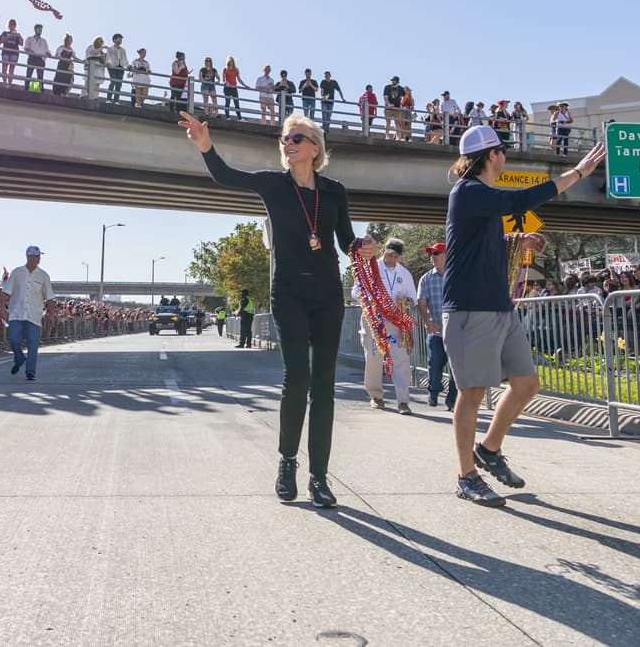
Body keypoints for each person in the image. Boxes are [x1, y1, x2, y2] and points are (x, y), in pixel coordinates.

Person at [179, 109, 377, 509]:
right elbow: (227, 176)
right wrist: (206, 147)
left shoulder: (334, 191)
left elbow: (345, 240)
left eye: (296, 138)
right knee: (297, 379)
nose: (288, 144)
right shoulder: (273, 184)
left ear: (315, 148)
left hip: (328, 297)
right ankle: (287, 462)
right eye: (285, 139)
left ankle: (319, 477)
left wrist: (362, 247)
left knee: (324, 387)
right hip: (288, 295)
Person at [444, 124, 606, 506]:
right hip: (470, 308)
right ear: (492, 155)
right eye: (503, 150)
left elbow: (479, 240)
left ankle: (489, 449)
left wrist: (518, 239)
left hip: (500, 307)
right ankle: (466, 477)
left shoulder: (481, 199)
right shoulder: (467, 191)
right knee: (472, 393)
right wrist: (578, 172)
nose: (505, 156)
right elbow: (521, 201)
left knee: (527, 384)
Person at [356, 236, 415, 413]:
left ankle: (403, 401)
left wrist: (407, 302)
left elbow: (412, 297)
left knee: (401, 359)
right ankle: (376, 396)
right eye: (390, 255)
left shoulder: (404, 274)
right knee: (374, 358)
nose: (393, 259)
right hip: (374, 319)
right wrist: (370, 299)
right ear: (383, 252)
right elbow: (356, 291)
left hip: (396, 321)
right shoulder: (369, 268)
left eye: (396, 257)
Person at [0, 246, 54, 381]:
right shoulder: (17, 272)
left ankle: (30, 371)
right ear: (28, 257)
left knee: (33, 343)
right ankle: (19, 358)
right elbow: (5, 292)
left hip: (34, 316)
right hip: (16, 313)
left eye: (38, 257)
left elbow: (50, 298)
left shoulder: (43, 275)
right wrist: (2, 308)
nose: (38, 259)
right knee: (13, 340)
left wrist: (51, 315)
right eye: (36, 257)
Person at [417, 242, 456, 411]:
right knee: (434, 364)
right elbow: (421, 303)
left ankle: (453, 402)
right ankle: (433, 393)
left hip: (457, 332)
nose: (432, 257)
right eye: (431, 253)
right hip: (437, 331)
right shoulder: (426, 278)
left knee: (456, 369)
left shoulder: (458, 275)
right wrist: (427, 321)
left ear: (447, 255)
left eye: (436, 253)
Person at [24, 23, 51, 90]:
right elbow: (26, 48)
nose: (40, 31)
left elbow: (47, 50)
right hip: (32, 57)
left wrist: (48, 54)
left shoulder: (44, 40)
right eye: (38, 29)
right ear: (35, 30)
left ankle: (41, 89)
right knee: (29, 74)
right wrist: (30, 51)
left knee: (40, 76)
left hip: (40, 59)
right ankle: (26, 88)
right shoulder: (29, 38)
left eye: (41, 30)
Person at [104, 33, 128, 103]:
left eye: (121, 39)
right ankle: (108, 99)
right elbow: (108, 57)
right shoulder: (110, 48)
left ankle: (116, 100)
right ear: (114, 39)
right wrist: (108, 63)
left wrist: (128, 65)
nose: (120, 40)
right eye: (119, 38)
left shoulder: (123, 50)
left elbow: (125, 59)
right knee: (113, 82)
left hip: (120, 68)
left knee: (119, 84)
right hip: (112, 67)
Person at [0, 18, 22, 88]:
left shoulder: (18, 34)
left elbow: (21, 43)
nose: (12, 26)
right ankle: (4, 84)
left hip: (14, 52)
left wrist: (18, 37)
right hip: (6, 51)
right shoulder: (5, 33)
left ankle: (9, 84)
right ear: (8, 25)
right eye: (11, 24)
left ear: (15, 26)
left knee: (11, 70)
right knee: (4, 68)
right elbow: (0, 41)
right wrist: (9, 36)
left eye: (13, 25)